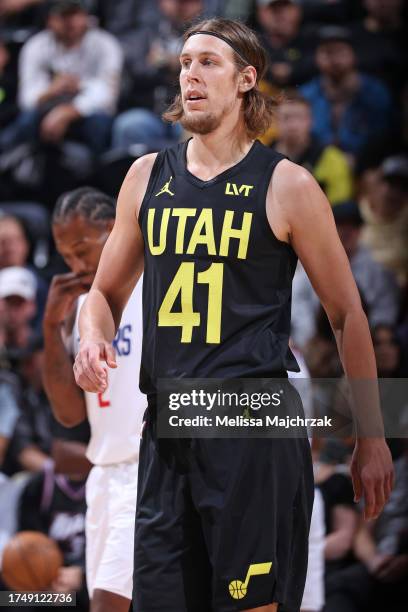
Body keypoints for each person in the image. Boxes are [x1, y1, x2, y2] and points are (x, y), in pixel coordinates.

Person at [74, 18, 393, 612]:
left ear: (247, 79)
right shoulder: (146, 176)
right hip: (167, 427)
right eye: (184, 62)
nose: (189, 74)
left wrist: (371, 436)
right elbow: (102, 294)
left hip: (252, 425)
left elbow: (347, 313)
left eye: (207, 63)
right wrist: (91, 339)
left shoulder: (288, 185)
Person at [43, 187, 144, 612]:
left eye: (83, 250)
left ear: (113, 229)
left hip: (147, 468)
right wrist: (51, 328)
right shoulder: (84, 308)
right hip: (103, 476)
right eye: (67, 257)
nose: (77, 265)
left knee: (108, 605)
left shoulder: (153, 286)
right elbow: (68, 415)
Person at [0, 0, 123, 155]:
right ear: (49, 19)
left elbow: (108, 97)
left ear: (86, 16)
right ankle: (24, 171)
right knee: (27, 120)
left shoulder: (105, 44)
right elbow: (27, 100)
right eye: (63, 16)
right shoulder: (36, 46)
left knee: (99, 123)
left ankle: (101, 174)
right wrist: (52, 90)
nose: (70, 22)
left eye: (75, 14)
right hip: (46, 111)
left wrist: (69, 110)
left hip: (87, 113)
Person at [300, 25, 392, 160]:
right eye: (327, 52)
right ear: (316, 57)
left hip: (369, 165)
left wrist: (362, 163)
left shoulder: (376, 92)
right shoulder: (306, 95)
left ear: (354, 55)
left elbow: (387, 137)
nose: (334, 59)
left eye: (340, 51)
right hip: (318, 165)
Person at [275, 92, 353, 205]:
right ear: (275, 122)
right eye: (286, 118)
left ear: (310, 121)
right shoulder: (261, 156)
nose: (293, 125)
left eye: (299, 118)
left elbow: (339, 207)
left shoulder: (333, 159)